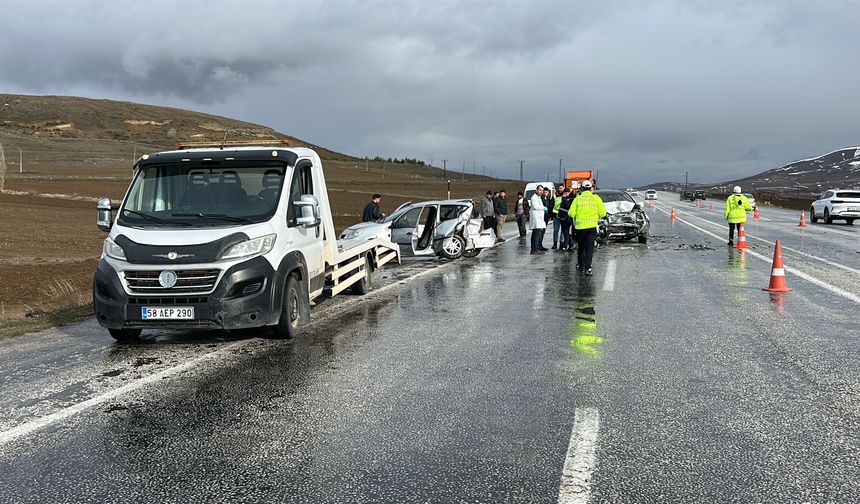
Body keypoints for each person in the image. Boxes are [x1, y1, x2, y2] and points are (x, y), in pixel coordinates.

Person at [568, 180, 606, 276]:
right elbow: (602, 213)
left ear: (581, 188)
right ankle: (588, 267)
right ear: (591, 188)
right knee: (589, 248)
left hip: (580, 227)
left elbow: (571, 213)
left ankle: (581, 265)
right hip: (591, 227)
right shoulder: (596, 198)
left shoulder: (577, 199)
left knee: (581, 246)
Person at [529, 185, 548, 254]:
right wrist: (543, 207)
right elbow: (535, 206)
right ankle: (534, 250)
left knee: (536, 234)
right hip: (536, 219)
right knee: (536, 235)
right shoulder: (534, 197)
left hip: (539, 219)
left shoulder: (539, 197)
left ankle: (534, 249)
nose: (541, 192)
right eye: (540, 190)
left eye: (542, 190)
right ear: (536, 190)